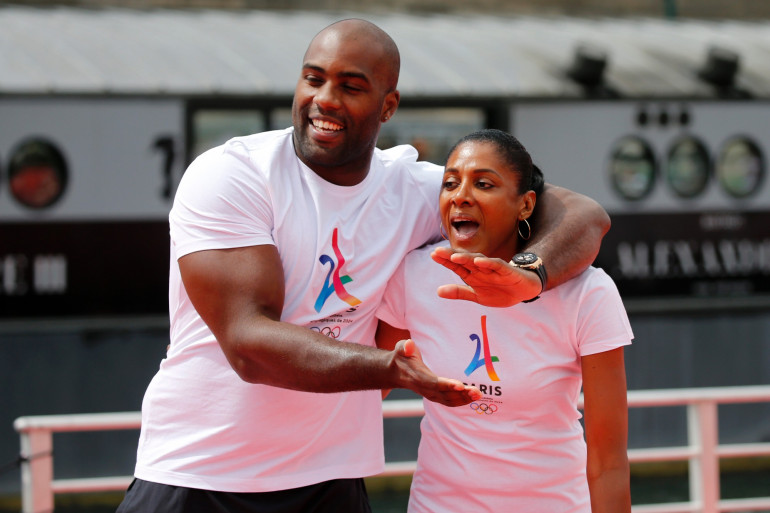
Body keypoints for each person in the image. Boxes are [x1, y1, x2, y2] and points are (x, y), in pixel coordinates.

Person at [117, 19, 611, 513]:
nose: (326, 99)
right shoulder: (233, 175)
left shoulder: (415, 189)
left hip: (331, 478)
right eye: (313, 79)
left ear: (388, 106)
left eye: (351, 87)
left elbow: (584, 214)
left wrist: (528, 273)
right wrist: (392, 368)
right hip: (197, 474)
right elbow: (249, 343)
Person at [376, 129, 632, 513]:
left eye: (483, 183)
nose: (461, 195)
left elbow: (607, 462)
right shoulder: (415, 275)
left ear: (526, 205)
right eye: (450, 183)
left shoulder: (588, 292)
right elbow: (367, 387)